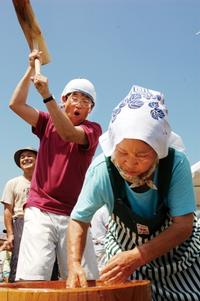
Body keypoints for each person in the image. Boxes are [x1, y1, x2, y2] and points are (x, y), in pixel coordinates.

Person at [66, 84, 200, 300]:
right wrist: (73, 264)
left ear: (159, 149)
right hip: (123, 252)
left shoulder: (175, 164)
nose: (130, 162)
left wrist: (139, 255)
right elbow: (79, 220)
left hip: (178, 257)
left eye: (142, 154)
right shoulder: (103, 170)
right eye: (122, 152)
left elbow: (183, 225)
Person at [9, 49, 102, 281]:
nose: (80, 103)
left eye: (86, 101)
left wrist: (47, 96)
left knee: (85, 281)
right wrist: (30, 68)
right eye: (75, 97)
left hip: (76, 215)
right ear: (65, 100)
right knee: (33, 278)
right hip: (40, 209)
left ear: (90, 109)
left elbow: (69, 134)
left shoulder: (93, 129)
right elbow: (16, 105)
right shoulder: (46, 121)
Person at [1, 147, 37, 282]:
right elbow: (8, 210)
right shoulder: (12, 183)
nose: (25, 158)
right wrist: (10, 235)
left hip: (43, 221)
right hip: (21, 222)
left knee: (47, 258)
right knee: (19, 258)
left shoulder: (45, 182)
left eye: (29, 156)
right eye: (22, 157)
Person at [90, 205, 109, 271]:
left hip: (92, 246)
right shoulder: (104, 209)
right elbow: (110, 228)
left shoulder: (89, 209)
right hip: (101, 246)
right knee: (102, 272)